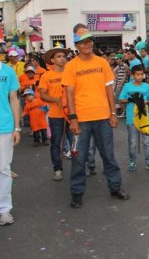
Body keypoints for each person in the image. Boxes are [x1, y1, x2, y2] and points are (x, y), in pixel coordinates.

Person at [62, 24, 129, 209]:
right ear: (77, 46)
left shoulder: (102, 63)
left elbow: (109, 89)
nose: (87, 45)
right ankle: (77, 193)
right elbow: (69, 93)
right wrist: (73, 118)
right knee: (78, 158)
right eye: (82, 42)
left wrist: (113, 112)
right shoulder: (71, 66)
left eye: (89, 41)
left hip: (103, 118)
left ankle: (115, 187)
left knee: (108, 155)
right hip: (81, 120)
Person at [39, 47, 73, 181]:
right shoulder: (46, 76)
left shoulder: (70, 73)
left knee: (75, 142)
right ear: (52, 60)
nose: (62, 58)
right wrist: (57, 100)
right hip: (55, 115)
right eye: (59, 56)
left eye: (64, 56)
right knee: (56, 143)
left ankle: (79, 167)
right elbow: (42, 95)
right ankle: (57, 169)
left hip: (71, 115)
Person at [119, 65, 149, 172]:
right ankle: (132, 161)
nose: (140, 77)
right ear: (133, 75)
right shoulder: (127, 86)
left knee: (147, 142)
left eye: (141, 74)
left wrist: (143, 102)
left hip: (145, 118)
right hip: (132, 119)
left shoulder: (146, 86)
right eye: (137, 74)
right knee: (133, 142)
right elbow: (121, 99)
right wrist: (130, 99)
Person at [0, 59, 21, 226]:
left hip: (4, 126)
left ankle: (4, 209)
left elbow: (14, 99)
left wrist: (17, 128)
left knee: (3, 169)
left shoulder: (7, 71)